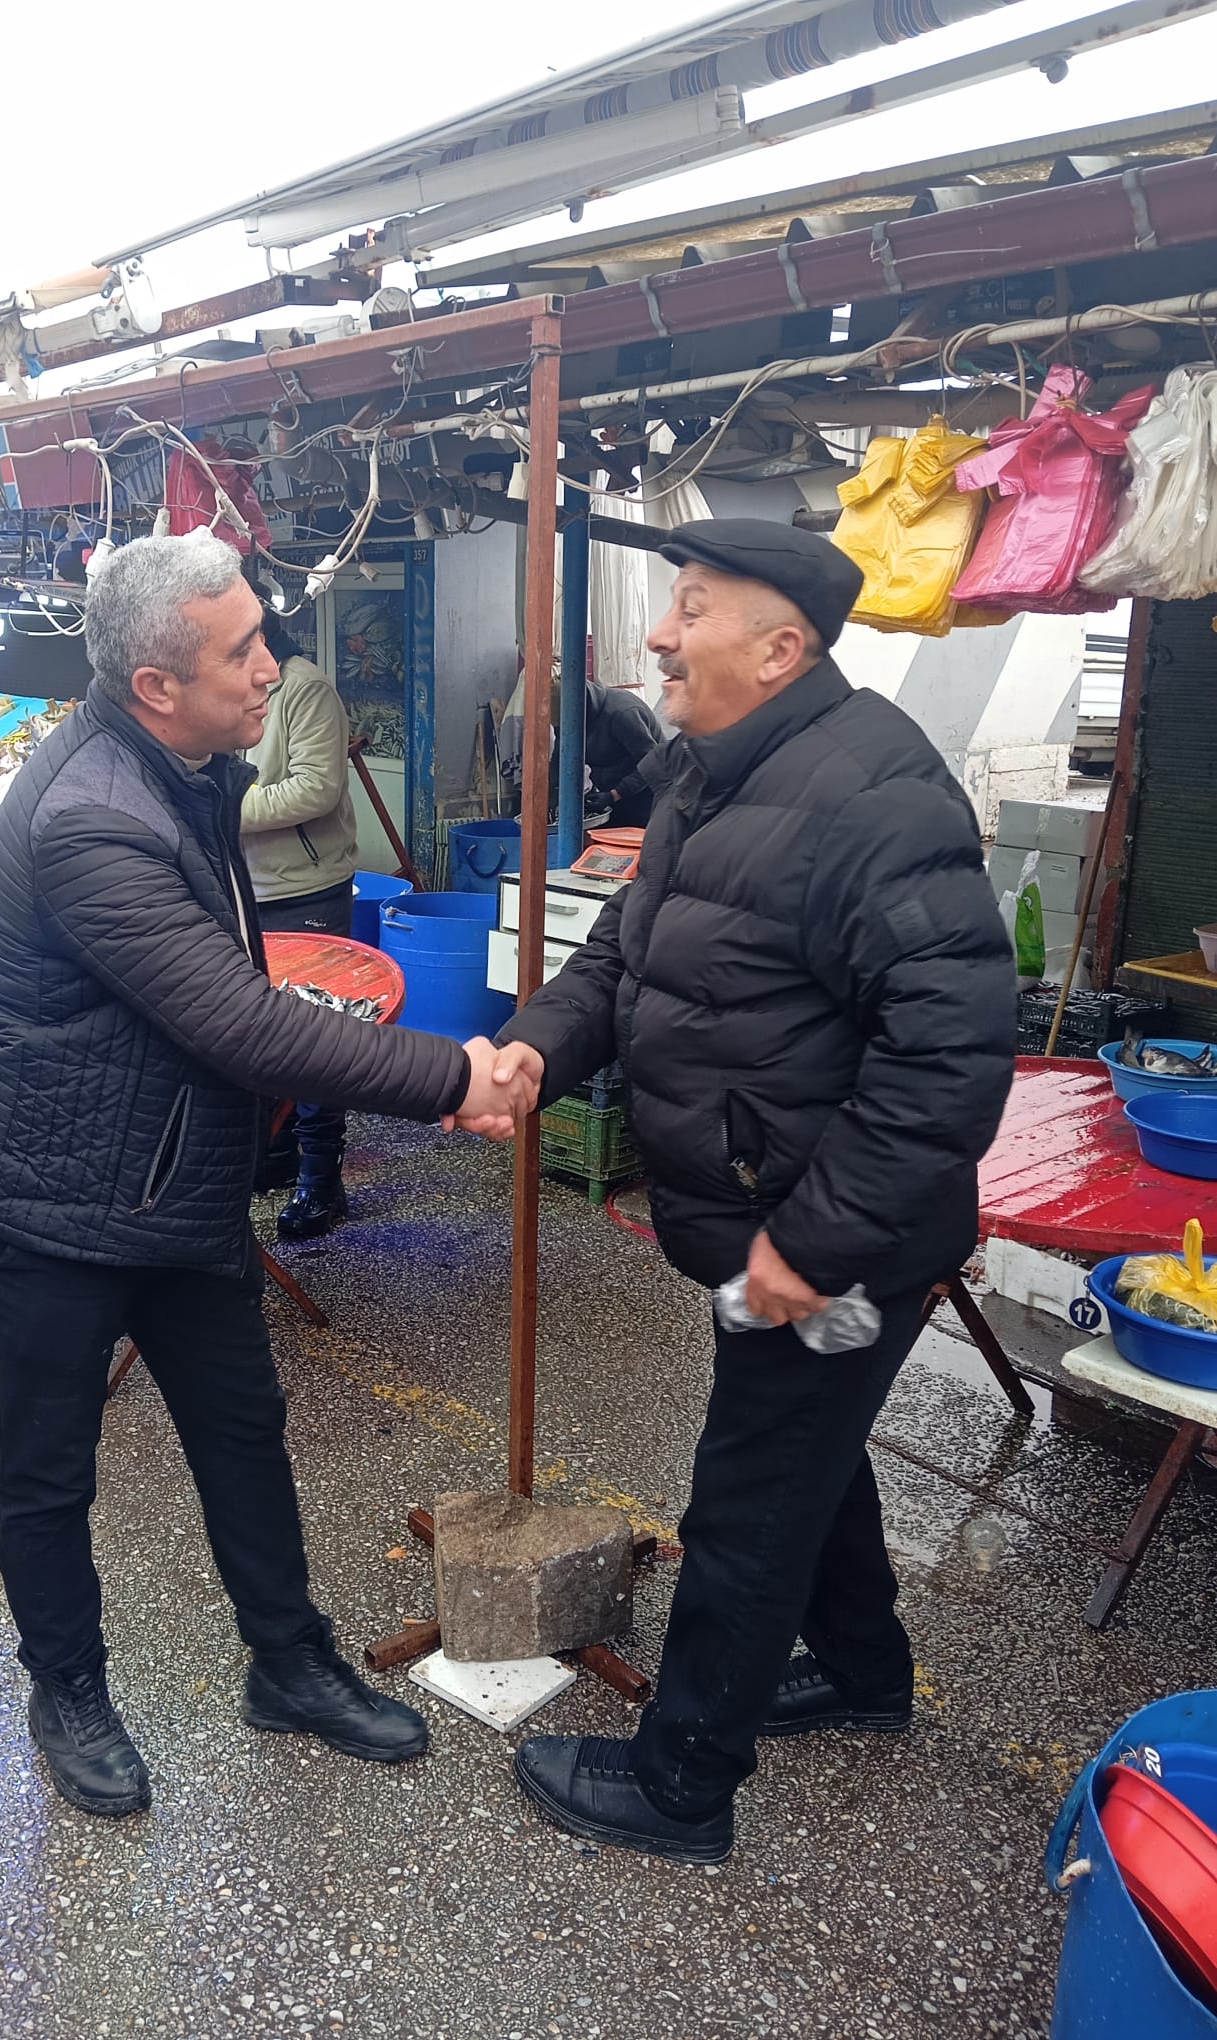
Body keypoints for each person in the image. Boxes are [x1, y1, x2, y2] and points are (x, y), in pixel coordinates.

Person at [0, 532, 534, 1819]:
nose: (273, 666)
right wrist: (454, 1077)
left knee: (243, 1431)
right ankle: (67, 1689)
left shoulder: (185, 766)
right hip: (51, 1206)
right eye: (245, 649)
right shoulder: (93, 816)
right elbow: (239, 1023)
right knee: (48, 1471)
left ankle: (288, 1661)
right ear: (157, 684)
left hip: (176, 1193)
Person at [477, 520, 1016, 1864]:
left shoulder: (876, 796)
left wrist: (814, 1244)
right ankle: (863, 1670)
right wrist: (536, 1049)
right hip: (762, 1223)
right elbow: (623, 952)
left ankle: (682, 1784)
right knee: (810, 1460)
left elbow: (950, 1057)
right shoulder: (711, 773)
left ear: (781, 650)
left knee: (750, 1496)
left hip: (835, 1244)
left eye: (694, 606)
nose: (660, 634)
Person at [241, 613, 358, 1240]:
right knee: (257, 1031)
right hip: (244, 890)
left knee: (318, 1039)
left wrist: (223, 807)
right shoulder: (228, 687)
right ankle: (278, 1149)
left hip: (307, 888)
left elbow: (316, 789)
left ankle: (321, 1177)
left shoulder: (305, 689)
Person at [582, 674, 666, 828]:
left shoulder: (624, 713)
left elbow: (653, 764)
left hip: (646, 795)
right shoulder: (570, 718)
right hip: (609, 791)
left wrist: (614, 794)